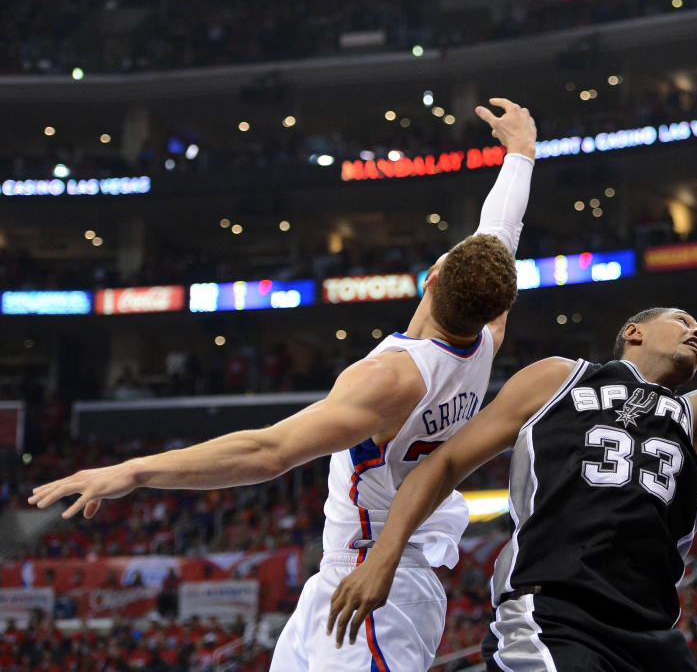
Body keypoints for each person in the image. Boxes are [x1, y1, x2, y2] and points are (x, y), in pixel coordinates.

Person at [28, 97, 538, 672]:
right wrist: (520, 153)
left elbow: (268, 452)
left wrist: (136, 470)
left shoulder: (389, 380)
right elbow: (501, 229)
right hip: (351, 580)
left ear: (431, 277)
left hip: (373, 589)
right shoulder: (486, 338)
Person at [327, 144, 697, 670]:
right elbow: (443, 462)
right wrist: (384, 555)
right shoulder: (559, 378)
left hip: (651, 633)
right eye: (682, 319)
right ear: (634, 332)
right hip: (554, 616)